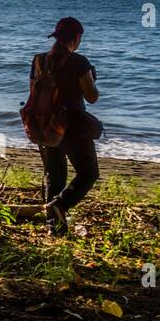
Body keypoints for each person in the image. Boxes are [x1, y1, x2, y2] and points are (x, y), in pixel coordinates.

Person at [30, 17, 101, 235]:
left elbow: (34, 91)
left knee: (55, 175)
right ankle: (60, 205)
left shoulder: (39, 60)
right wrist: (92, 78)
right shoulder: (79, 62)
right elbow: (92, 97)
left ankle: (54, 227)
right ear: (77, 37)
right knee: (88, 172)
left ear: (56, 37)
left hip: (45, 124)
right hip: (73, 126)